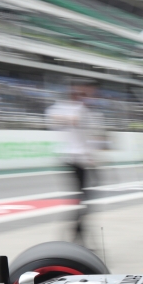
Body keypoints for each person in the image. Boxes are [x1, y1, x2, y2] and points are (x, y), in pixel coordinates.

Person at [47, 82, 100, 243]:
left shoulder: (84, 111)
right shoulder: (69, 108)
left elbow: (88, 136)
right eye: (85, 94)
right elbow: (58, 119)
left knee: (85, 200)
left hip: (83, 161)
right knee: (82, 200)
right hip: (75, 160)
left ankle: (78, 232)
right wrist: (72, 118)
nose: (88, 98)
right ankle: (77, 234)